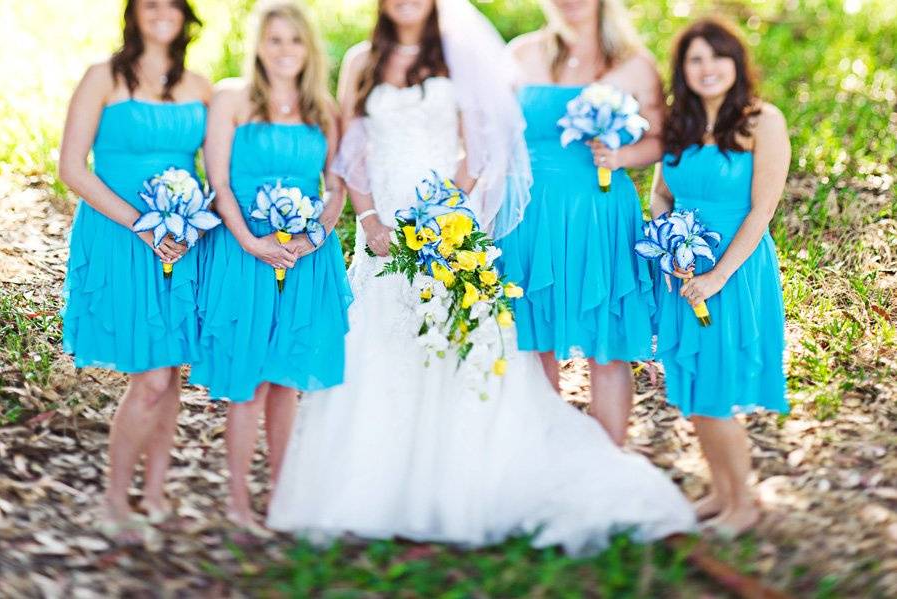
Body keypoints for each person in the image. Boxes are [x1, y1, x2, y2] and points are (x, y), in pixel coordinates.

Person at [267, 0, 695, 555]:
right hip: (381, 233)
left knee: (453, 350)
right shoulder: (360, 60)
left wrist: (444, 216)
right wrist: (370, 218)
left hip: (446, 223)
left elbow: (482, 148)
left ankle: (463, 487)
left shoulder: (458, 54)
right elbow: (350, 147)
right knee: (383, 350)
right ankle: (383, 490)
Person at [191, 0, 351, 532]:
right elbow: (219, 184)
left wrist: (317, 233)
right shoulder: (232, 98)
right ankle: (237, 501)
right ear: (258, 45)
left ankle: (282, 497)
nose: (285, 50)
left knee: (286, 382)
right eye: (275, 39)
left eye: (295, 40)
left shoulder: (323, 110)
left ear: (310, 49)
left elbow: (337, 185)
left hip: (306, 257)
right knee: (250, 381)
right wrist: (249, 242)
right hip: (245, 255)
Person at [59, 0, 211, 542]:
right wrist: (142, 224)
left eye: (172, 4)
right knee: (149, 376)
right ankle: (114, 502)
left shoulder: (199, 85)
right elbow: (71, 167)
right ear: (134, 14)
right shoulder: (103, 77)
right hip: (122, 236)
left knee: (169, 372)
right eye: (150, 3)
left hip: (185, 239)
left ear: (185, 16)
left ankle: (153, 496)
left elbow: (217, 163)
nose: (161, 12)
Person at [497, 0, 665, 445]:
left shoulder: (635, 63)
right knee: (534, 338)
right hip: (528, 213)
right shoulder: (521, 53)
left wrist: (624, 156)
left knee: (605, 341)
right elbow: (488, 133)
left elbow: (663, 138)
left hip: (600, 212)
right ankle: (547, 457)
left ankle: (606, 462)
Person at [650, 17, 790, 536]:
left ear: (736, 62)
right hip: (682, 267)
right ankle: (721, 491)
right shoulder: (677, 123)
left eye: (717, 56)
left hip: (734, 269)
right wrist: (667, 240)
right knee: (692, 387)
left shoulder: (761, 120)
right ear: (683, 71)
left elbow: (761, 211)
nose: (707, 68)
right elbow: (662, 194)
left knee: (714, 392)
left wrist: (718, 277)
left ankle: (744, 505)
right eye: (695, 59)